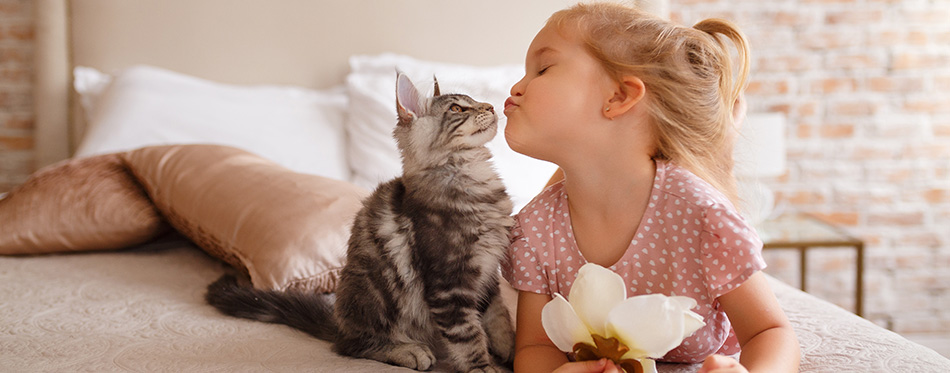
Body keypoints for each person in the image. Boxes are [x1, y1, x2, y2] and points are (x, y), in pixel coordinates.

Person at [501, 3, 800, 373]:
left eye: (543, 69)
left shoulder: (701, 216)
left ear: (618, 97)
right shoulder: (533, 230)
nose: (516, 86)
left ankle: (722, 149)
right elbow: (534, 347)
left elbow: (769, 331)